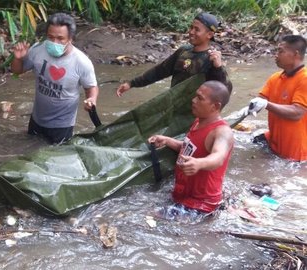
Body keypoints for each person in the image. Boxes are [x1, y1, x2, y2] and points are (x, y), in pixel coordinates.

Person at [148, 81, 234, 221]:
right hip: (183, 196)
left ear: (215, 106)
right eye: (195, 96)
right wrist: (168, 141)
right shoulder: (199, 122)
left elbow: (218, 156)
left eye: (200, 98)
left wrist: (200, 163)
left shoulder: (222, 131)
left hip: (201, 206)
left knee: (145, 217)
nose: (193, 100)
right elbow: (192, 148)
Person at [11, 12, 99, 144]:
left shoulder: (81, 62)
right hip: (37, 119)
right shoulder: (38, 50)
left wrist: (91, 99)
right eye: (50, 37)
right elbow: (17, 70)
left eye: (60, 38)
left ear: (71, 38)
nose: (54, 42)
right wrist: (18, 59)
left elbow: (91, 87)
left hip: (62, 125)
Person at [116, 12, 233, 97]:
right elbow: (159, 71)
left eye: (197, 29)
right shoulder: (183, 51)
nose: (191, 32)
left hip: (194, 114)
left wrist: (218, 67)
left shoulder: (211, 60)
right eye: (191, 27)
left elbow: (225, 90)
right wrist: (131, 84)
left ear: (209, 34)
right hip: (173, 107)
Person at [241, 35, 307, 161]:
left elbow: (297, 113)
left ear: (295, 54)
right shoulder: (275, 78)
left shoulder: (304, 79)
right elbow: (259, 101)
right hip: (274, 143)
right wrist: (243, 113)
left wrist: (266, 104)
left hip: (297, 153)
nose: (275, 55)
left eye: (280, 51)